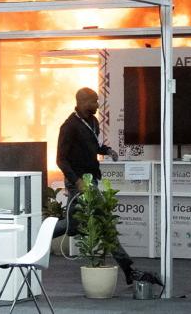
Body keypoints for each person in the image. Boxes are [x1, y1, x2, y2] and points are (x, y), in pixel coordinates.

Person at [54, 87, 135, 283]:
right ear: (82, 103)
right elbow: (60, 160)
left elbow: (94, 147)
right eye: (94, 102)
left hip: (92, 178)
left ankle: (39, 232)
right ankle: (128, 268)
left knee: (74, 225)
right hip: (78, 183)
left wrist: (107, 151)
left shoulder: (93, 121)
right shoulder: (69, 126)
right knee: (103, 220)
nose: (98, 105)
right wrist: (77, 181)